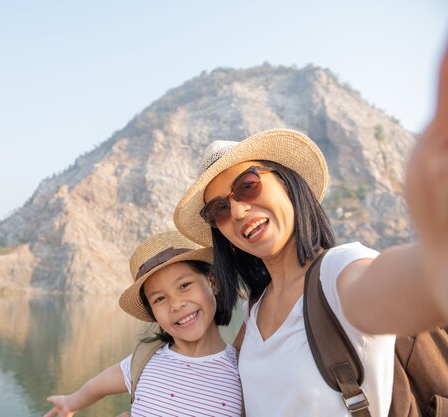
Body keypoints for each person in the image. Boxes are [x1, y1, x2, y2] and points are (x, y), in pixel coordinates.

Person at [172, 46, 448, 417]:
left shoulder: (340, 273)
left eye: (248, 185)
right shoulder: (254, 312)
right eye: (219, 208)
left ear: (287, 183)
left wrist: (437, 250)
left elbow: (407, 285)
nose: (237, 210)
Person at [43, 231, 243, 417]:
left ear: (212, 283)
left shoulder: (242, 371)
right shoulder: (145, 359)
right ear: (152, 313)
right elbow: (97, 386)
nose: (176, 304)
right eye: (159, 299)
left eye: (184, 285)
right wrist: (69, 403)